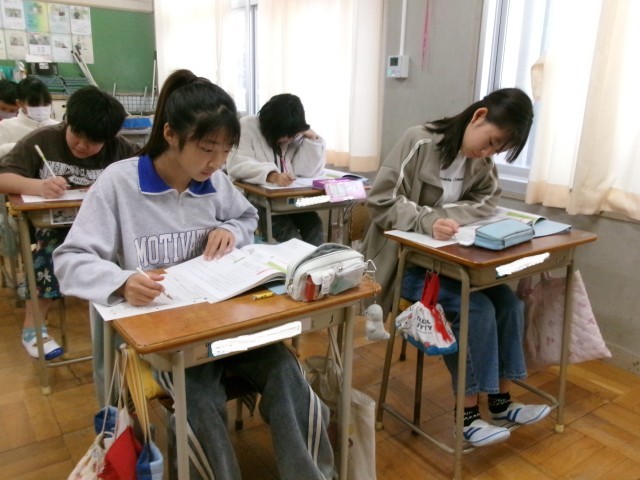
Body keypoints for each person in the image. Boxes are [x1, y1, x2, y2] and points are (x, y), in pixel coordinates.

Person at [53, 70, 334, 480]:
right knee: (198, 399)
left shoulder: (214, 181)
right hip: (170, 338)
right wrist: (121, 281)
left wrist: (230, 229)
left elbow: (247, 216)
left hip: (224, 323)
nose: (217, 163)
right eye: (206, 149)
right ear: (170, 134)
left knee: (286, 373)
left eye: (225, 151)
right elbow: (70, 259)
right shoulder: (120, 184)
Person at [360, 88, 550, 448]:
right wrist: (426, 220)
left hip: (448, 262)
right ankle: (467, 418)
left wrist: (444, 216)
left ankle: (501, 404)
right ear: (478, 116)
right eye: (490, 142)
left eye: (497, 150)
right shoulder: (419, 141)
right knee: (475, 310)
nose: (488, 152)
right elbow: (380, 200)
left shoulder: (481, 162)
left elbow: (488, 199)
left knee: (508, 304)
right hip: (405, 264)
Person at [0, 85, 135, 360]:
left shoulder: (120, 148)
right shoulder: (43, 140)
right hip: (53, 228)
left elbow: (146, 170)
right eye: (77, 135)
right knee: (52, 249)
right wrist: (38, 186)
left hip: (103, 228)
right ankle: (33, 327)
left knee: (131, 247)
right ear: (67, 121)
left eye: (93, 141)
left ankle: (126, 320)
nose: (82, 146)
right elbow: (3, 178)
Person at [227, 93, 326, 245]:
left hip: (288, 201)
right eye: (286, 135)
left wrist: (312, 140)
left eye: (291, 135)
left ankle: (316, 260)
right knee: (289, 234)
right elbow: (237, 164)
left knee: (314, 225)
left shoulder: (294, 132)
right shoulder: (246, 126)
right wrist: (271, 175)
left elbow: (306, 172)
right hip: (256, 201)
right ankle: (301, 259)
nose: (289, 139)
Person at [0, 76, 59, 157]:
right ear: (20, 104)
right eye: (34, 105)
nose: (41, 108)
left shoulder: (59, 127)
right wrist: (21, 146)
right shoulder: (6, 126)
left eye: (46, 104)